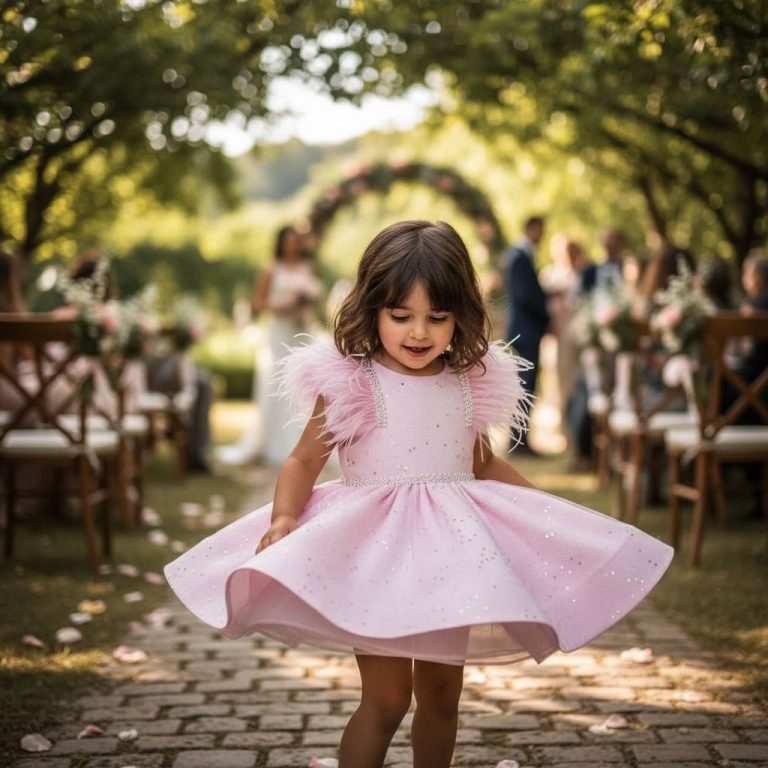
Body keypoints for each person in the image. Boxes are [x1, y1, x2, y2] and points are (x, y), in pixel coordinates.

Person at [165, 220, 673, 768]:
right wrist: (286, 517)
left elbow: (481, 462)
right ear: (371, 308)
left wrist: (545, 510)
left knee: (442, 697)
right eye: (400, 316)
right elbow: (304, 459)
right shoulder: (353, 382)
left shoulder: (465, 381)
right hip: (377, 558)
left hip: (449, 559)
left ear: (462, 315)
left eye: (437, 317)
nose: (418, 333)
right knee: (385, 700)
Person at [216, 225, 323, 466]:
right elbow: (258, 302)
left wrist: (305, 304)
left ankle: (303, 443)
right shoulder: (270, 268)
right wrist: (282, 305)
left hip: (302, 329)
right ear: (280, 243)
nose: (293, 245)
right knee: (279, 382)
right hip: (279, 331)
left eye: (296, 240)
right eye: (288, 240)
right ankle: (276, 444)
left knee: (305, 382)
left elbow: (316, 296)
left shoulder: (308, 268)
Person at [504, 215, 549, 453]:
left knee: (527, 387)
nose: (542, 236)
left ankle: (521, 441)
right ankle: (518, 443)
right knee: (524, 387)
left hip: (527, 331)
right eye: (540, 231)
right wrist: (547, 315)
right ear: (530, 228)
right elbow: (526, 296)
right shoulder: (518, 257)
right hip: (525, 332)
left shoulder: (520, 256)